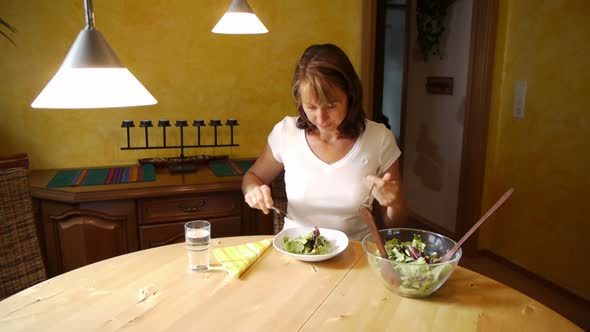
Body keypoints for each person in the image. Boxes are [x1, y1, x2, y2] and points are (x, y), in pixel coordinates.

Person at [242, 43, 408, 241]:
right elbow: (252, 177)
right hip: (297, 254)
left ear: (350, 95)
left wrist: (394, 203)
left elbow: (396, 222)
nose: (321, 118)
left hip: (355, 258)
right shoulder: (286, 133)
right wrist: (253, 190)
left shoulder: (379, 139)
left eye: (331, 106)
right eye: (311, 107)